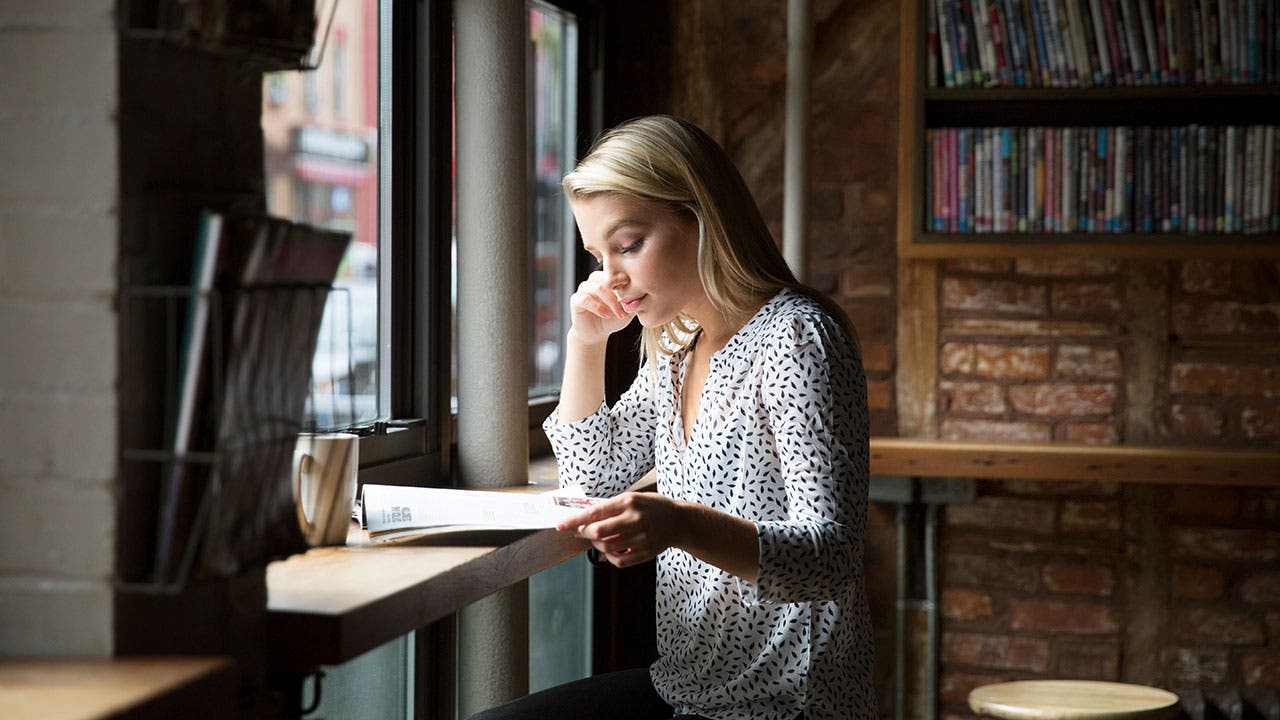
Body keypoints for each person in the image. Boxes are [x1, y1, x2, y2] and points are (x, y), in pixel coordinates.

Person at [471, 115, 873, 720]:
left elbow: (830, 557)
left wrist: (680, 525)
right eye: (596, 254)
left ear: (702, 217)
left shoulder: (795, 338)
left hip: (783, 704)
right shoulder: (678, 345)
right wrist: (586, 342)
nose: (610, 277)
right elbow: (591, 480)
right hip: (687, 686)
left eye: (628, 245)